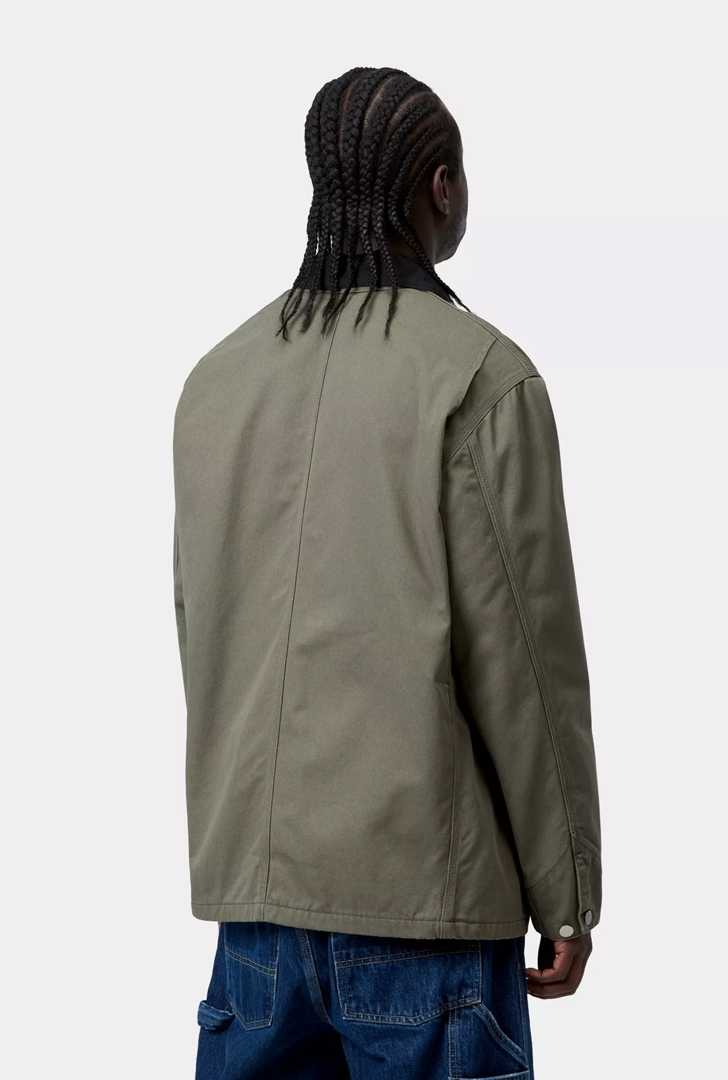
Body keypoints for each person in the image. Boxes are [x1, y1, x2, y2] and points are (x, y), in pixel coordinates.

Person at [171, 66, 602, 1079]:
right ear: (440, 188)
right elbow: (526, 664)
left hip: (254, 928)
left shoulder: (218, 380)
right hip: (426, 915)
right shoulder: (481, 377)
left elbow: (205, 636)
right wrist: (568, 891)